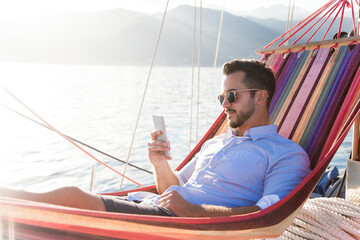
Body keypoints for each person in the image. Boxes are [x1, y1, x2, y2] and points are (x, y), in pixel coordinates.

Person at [0, 59, 311, 217]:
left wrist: (194, 211)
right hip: (155, 206)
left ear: (260, 97)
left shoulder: (287, 154)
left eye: (232, 95)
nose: (225, 104)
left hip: (185, 223)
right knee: (73, 198)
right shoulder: (214, 143)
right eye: (222, 97)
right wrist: (160, 164)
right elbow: (172, 189)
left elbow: (269, 212)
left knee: (72, 198)